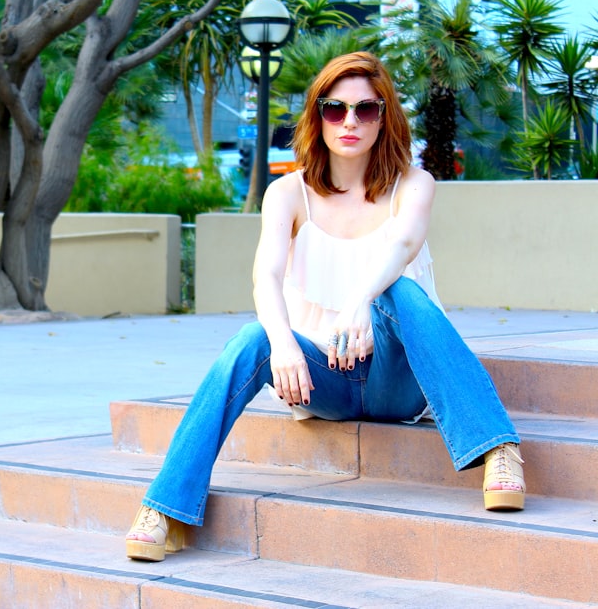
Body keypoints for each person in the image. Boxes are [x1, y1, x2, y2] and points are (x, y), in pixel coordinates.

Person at [125, 51, 525, 563]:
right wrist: (284, 342)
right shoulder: (288, 193)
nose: (351, 122)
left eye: (367, 109)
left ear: (386, 116)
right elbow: (264, 276)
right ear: (317, 116)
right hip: (323, 381)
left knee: (397, 289)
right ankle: (165, 509)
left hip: (397, 381)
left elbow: (402, 247)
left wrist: (360, 300)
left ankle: (498, 447)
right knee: (252, 338)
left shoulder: (414, 184)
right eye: (335, 109)